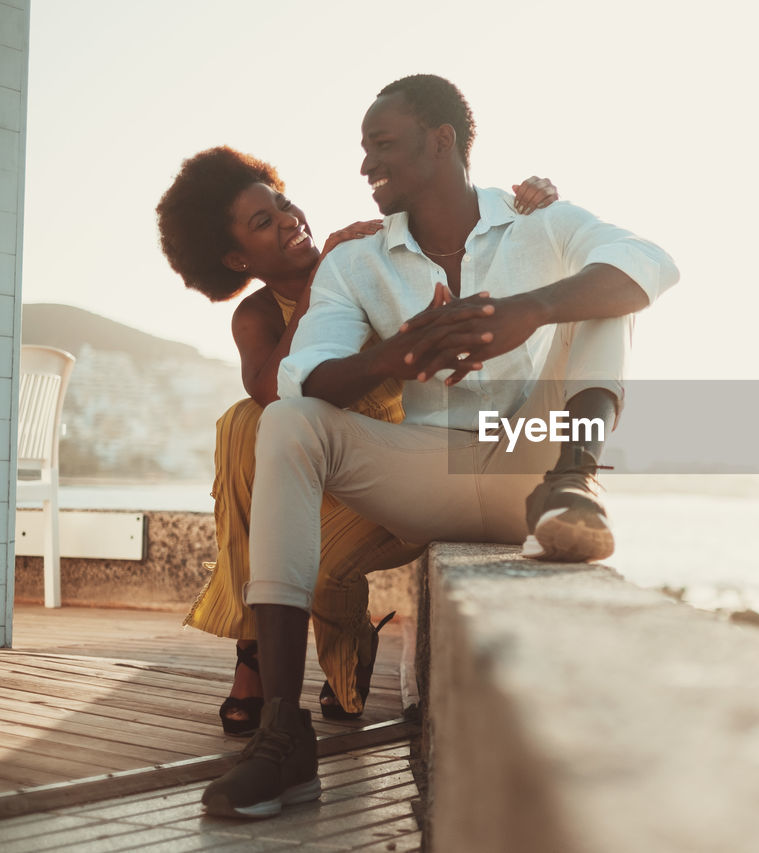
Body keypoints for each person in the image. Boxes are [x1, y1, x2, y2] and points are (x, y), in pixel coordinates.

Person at [201, 73, 677, 819]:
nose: (364, 165)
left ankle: (577, 483)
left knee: (610, 294)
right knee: (284, 420)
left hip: (528, 453)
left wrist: (532, 310)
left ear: (441, 140)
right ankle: (282, 734)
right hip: (428, 469)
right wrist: (395, 357)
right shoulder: (357, 263)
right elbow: (300, 376)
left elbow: (653, 261)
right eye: (363, 149)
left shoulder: (538, 222)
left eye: (381, 144)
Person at [154, 147, 558, 734]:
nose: (290, 220)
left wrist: (533, 208)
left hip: (400, 469)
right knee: (246, 421)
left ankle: (307, 655)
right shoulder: (258, 317)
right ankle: (256, 652)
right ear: (237, 257)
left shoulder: (364, 261)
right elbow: (276, 392)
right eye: (264, 222)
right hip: (314, 477)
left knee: (310, 556)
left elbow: (453, 254)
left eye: (284, 204)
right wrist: (317, 281)